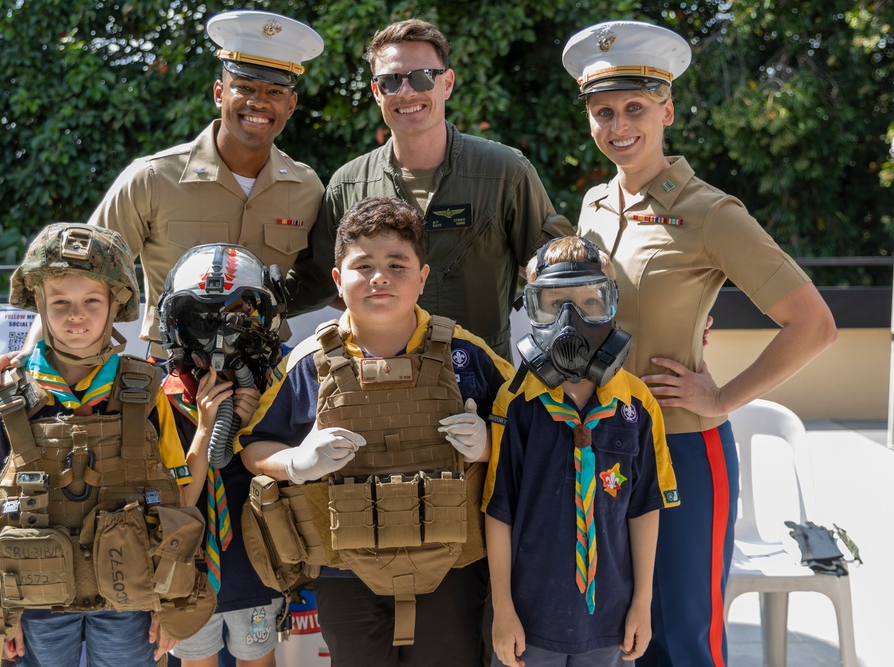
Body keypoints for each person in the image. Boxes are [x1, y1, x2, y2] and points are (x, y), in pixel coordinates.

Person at [561, 20, 837, 667]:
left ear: (668, 110)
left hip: (683, 446)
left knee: (684, 633)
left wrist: (722, 397)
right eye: (603, 111)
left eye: (635, 108)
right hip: (601, 443)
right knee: (623, 633)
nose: (618, 124)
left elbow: (813, 322)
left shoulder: (710, 211)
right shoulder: (595, 205)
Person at [0, 9, 325, 409]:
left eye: (274, 92)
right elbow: (79, 273)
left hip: (267, 381)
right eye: (243, 86)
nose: (258, 103)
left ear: (292, 103)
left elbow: (328, 278)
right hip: (170, 381)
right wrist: (27, 356)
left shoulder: (306, 187)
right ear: (218, 92)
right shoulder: (153, 179)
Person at [238, 196, 516, 666]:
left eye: (396, 264)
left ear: (423, 277)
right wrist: (295, 462)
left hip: (453, 567)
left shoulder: (467, 354)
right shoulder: (308, 363)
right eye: (362, 265)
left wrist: (493, 444)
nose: (379, 277)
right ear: (337, 281)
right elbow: (252, 448)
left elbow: (533, 429)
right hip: (347, 574)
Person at [0, 223, 213, 666]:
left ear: (115, 305)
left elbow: (177, 500)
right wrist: (0, 611)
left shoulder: (145, 386)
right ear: (38, 304)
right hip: (37, 600)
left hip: (130, 600)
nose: (75, 314)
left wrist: (169, 602)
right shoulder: (10, 394)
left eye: (91, 301)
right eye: (60, 302)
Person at [287, 18, 574, 360]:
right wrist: (248, 301)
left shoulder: (503, 172)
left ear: (447, 83)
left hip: (482, 385)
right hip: (377, 385)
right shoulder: (348, 184)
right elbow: (318, 281)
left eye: (422, 76)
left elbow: (557, 268)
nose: (407, 92)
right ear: (377, 91)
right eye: (391, 81)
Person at [484, 236, 679, 667]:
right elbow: (499, 510)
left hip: (609, 620)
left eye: (591, 301)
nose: (571, 319)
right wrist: (503, 610)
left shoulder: (638, 405)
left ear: (612, 305)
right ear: (532, 311)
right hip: (529, 622)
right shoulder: (515, 404)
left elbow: (644, 508)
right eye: (553, 304)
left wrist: (641, 605)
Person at [158, 243, 289, 667]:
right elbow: (177, 502)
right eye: (201, 319)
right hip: (189, 574)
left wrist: (250, 427)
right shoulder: (161, 397)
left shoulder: (280, 385)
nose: (219, 340)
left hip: (255, 568)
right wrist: (207, 427)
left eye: (235, 320)